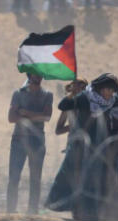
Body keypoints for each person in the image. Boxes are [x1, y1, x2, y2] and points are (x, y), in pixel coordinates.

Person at [56, 73, 118, 220]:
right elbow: (60, 117)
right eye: (77, 87)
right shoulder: (81, 102)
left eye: (83, 86)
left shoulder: (111, 102)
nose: (110, 92)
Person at [7, 73, 52, 214]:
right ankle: (10, 211)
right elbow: (11, 118)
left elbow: (46, 116)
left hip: (37, 140)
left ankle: (32, 211)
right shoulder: (18, 94)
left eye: (40, 74)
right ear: (29, 75)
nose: (38, 77)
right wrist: (34, 116)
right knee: (14, 177)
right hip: (19, 139)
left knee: (35, 178)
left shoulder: (47, 95)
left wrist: (25, 112)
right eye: (35, 74)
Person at [45, 78, 88, 213]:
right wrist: (72, 126)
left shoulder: (89, 105)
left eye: (82, 87)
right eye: (77, 87)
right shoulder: (68, 107)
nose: (80, 90)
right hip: (73, 146)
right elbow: (58, 130)